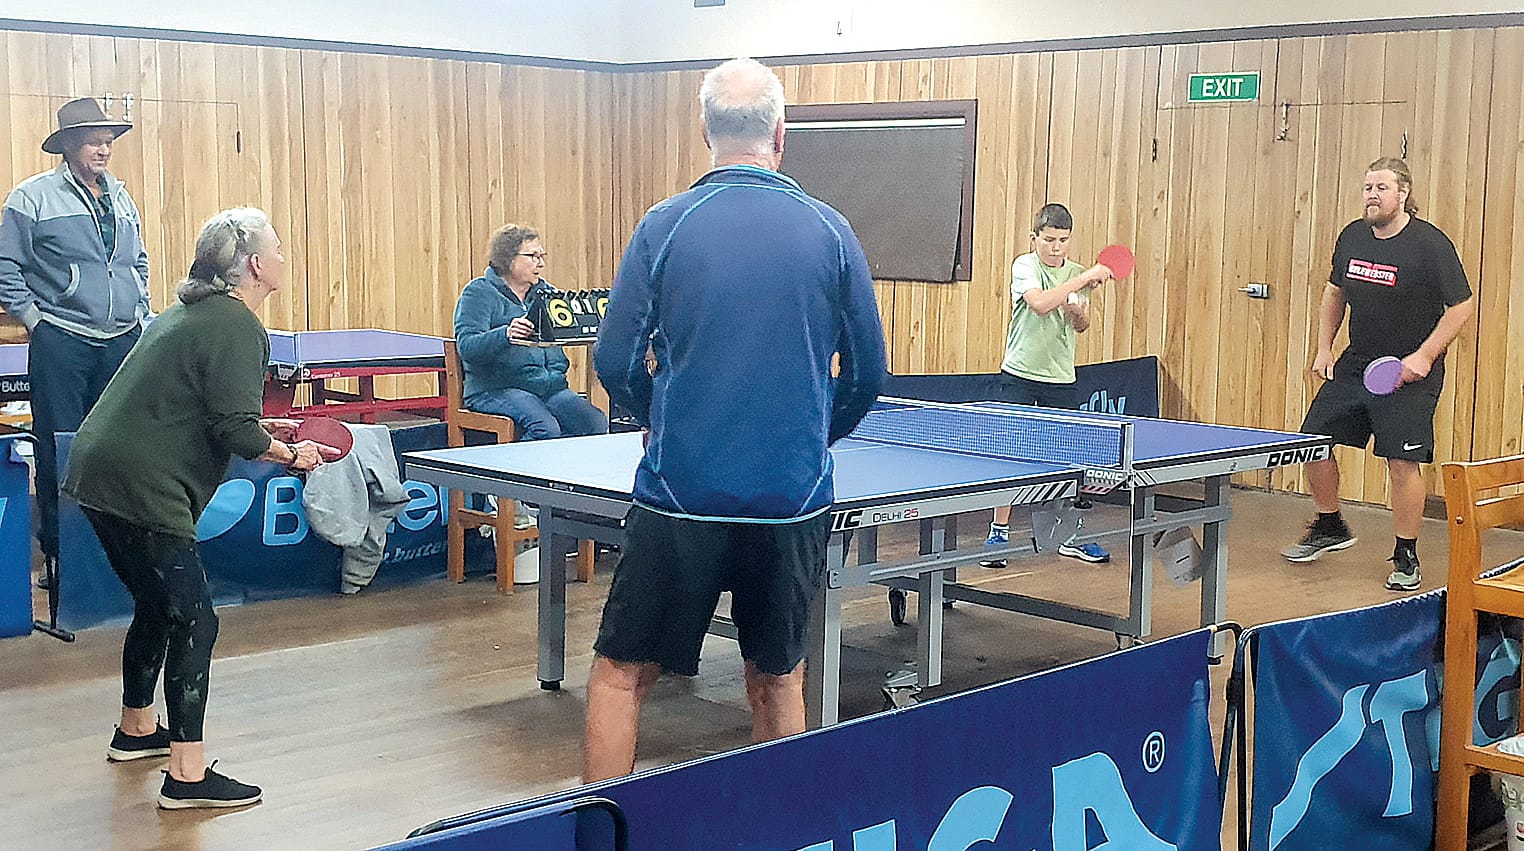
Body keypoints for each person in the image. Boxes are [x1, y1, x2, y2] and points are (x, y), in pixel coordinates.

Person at [586, 57, 887, 782]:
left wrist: (664, 420)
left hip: (680, 499)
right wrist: (814, 436)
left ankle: (599, 833)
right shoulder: (832, 230)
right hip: (791, 502)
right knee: (780, 678)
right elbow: (869, 376)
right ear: (780, 134)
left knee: (621, 672)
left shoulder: (665, 225)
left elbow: (614, 358)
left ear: (705, 131)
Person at [63, 208, 330, 808]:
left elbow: (212, 410)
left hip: (96, 471)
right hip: (142, 484)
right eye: (279, 247)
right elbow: (233, 429)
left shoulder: (186, 314)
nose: (285, 257)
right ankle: (187, 775)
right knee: (195, 619)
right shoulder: (238, 326)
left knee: (158, 606)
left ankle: (136, 732)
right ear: (256, 266)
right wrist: (292, 454)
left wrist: (268, 428)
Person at [1281, 157, 1474, 592]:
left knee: (1402, 461)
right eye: (1368, 186)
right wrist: (1324, 347)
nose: (1372, 194)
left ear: (1402, 193)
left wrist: (1424, 356)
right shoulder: (1352, 236)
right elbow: (1335, 292)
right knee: (1311, 442)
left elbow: (1461, 305)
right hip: (1355, 364)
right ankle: (1330, 525)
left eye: (1382, 187)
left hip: (1409, 372)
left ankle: (1406, 554)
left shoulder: (1430, 245)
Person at [0, 97, 152, 590]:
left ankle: (115, 557)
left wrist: (141, 313)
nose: (104, 150)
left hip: (122, 340)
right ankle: (62, 559)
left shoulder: (123, 198)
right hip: (61, 340)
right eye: (93, 141)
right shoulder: (31, 198)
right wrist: (36, 321)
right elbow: (6, 269)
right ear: (67, 145)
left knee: (117, 449)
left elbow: (137, 263)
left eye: (108, 142)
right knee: (59, 448)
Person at [982, 203, 1113, 568]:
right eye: (1050, 239)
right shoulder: (1025, 266)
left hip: (1060, 378)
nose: (1056, 247)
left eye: (1063, 240)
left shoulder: (1075, 273)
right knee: (1009, 455)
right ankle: (999, 531)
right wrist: (1085, 279)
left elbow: (1080, 326)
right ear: (1035, 238)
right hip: (1020, 374)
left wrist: (1079, 313)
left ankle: (1070, 536)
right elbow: (1039, 304)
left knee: (1068, 459)